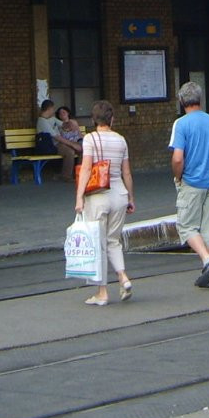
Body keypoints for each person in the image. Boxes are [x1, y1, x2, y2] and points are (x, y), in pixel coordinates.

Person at [168, 81, 209, 288]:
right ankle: (207, 273)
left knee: (187, 226)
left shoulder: (181, 124)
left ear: (181, 101)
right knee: (208, 229)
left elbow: (178, 158)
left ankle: (208, 261)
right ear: (200, 99)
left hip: (192, 182)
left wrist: (178, 176)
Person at [73, 100, 134, 306]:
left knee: (97, 244)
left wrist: (79, 197)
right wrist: (131, 198)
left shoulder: (89, 139)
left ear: (93, 119)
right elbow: (126, 172)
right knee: (113, 240)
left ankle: (102, 293)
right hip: (119, 195)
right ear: (112, 119)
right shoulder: (121, 140)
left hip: (98, 197)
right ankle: (123, 277)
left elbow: (87, 169)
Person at [54, 106, 83, 183]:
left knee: (84, 150)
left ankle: (80, 174)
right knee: (70, 152)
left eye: (63, 112)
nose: (62, 114)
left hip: (76, 142)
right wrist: (72, 145)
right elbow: (59, 138)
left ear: (68, 113)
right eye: (60, 113)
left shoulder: (73, 122)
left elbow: (79, 135)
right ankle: (67, 176)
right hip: (65, 144)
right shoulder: (58, 125)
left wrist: (83, 141)